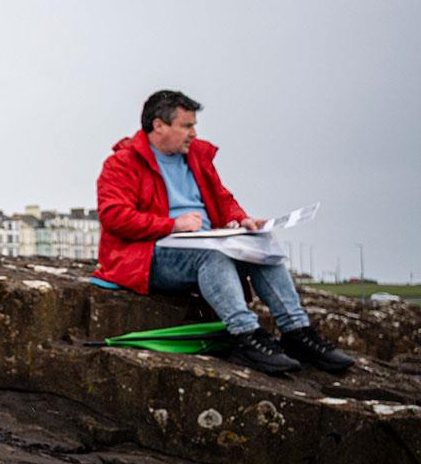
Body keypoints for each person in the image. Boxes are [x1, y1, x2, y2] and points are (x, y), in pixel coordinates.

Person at [95, 90, 354, 375]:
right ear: (159, 126)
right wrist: (171, 225)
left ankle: (296, 331)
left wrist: (240, 220)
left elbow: (222, 198)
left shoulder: (197, 157)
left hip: (203, 242)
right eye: (186, 126)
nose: (194, 133)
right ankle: (245, 336)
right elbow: (113, 216)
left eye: (194, 125)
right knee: (212, 256)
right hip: (149, 255)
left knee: (263, 248)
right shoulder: (122, 163)